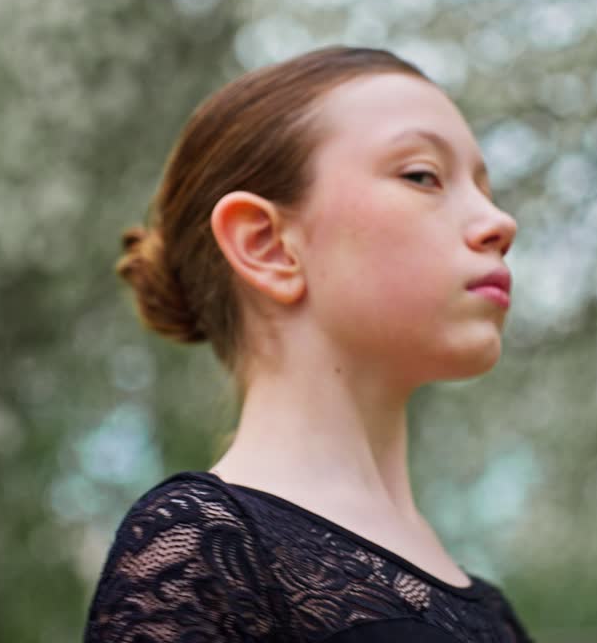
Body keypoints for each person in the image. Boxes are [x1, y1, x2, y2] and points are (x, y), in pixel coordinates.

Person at [83, 46, 533, 642]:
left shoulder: (495, 615)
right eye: (423, 175)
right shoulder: (203, 549)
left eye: (484, 187)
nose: (500, 222)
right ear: (266, 246)